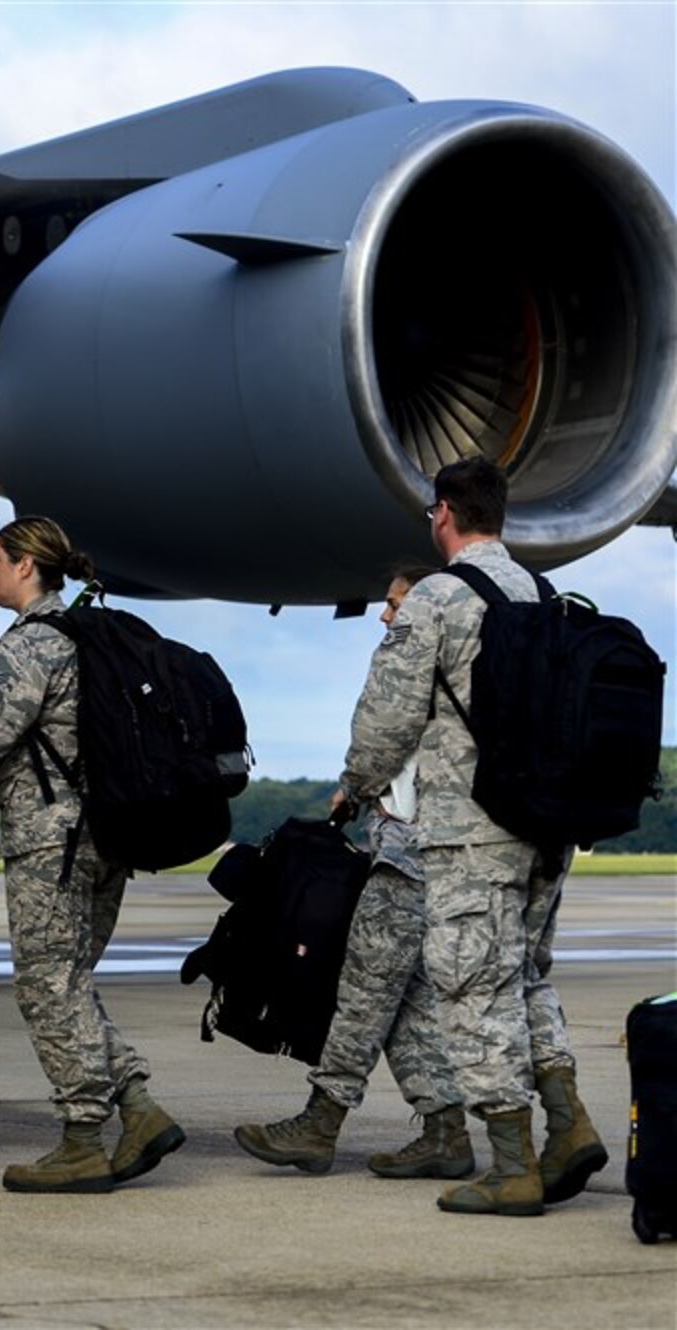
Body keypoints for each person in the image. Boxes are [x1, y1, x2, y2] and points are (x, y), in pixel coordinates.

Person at [335, 457, 604, 1216]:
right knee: (524, 979)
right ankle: (568, 1124)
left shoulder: (438, 599)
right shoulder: (540, 592)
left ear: (444, 513)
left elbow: (386, 722)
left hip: (469, 830)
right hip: (547, 826)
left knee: (471, 986)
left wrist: (356, 783)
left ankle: (513, 1164)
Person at [0, 516, 183, 1194]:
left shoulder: (32, 643)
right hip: (107, 834)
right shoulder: (86, 631)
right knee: (69, 982)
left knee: (46, 987)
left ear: (23, 566)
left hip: (51, 840)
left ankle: (81, 1139)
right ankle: (138, 1109)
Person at [234, 566, 477, 1180]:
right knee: (404, 998)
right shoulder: (466, 669)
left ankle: (321, 1122)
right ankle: (446, 1127)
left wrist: (354, 785)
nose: (385, 614)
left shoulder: (418, 664)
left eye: (395, 603)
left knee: (364, 991)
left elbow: (381, 739)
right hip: (439, 850)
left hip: (406, 851)